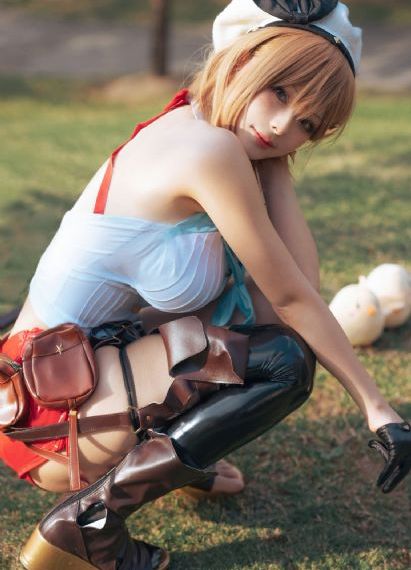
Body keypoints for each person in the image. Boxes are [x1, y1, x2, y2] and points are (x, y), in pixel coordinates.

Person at [1, 1, 410, 569]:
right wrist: (377, 408)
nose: (282, 126)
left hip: (58, 382)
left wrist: (275, 161)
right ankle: (86, 527)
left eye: (308, 125)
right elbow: (293, 301)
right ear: (243, 60)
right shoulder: (209, 151)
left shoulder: (199, 119)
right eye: (280, 92)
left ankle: (169, 457)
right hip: (47, 417)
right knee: (283, 363)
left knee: (246, 324)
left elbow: (285, 294)